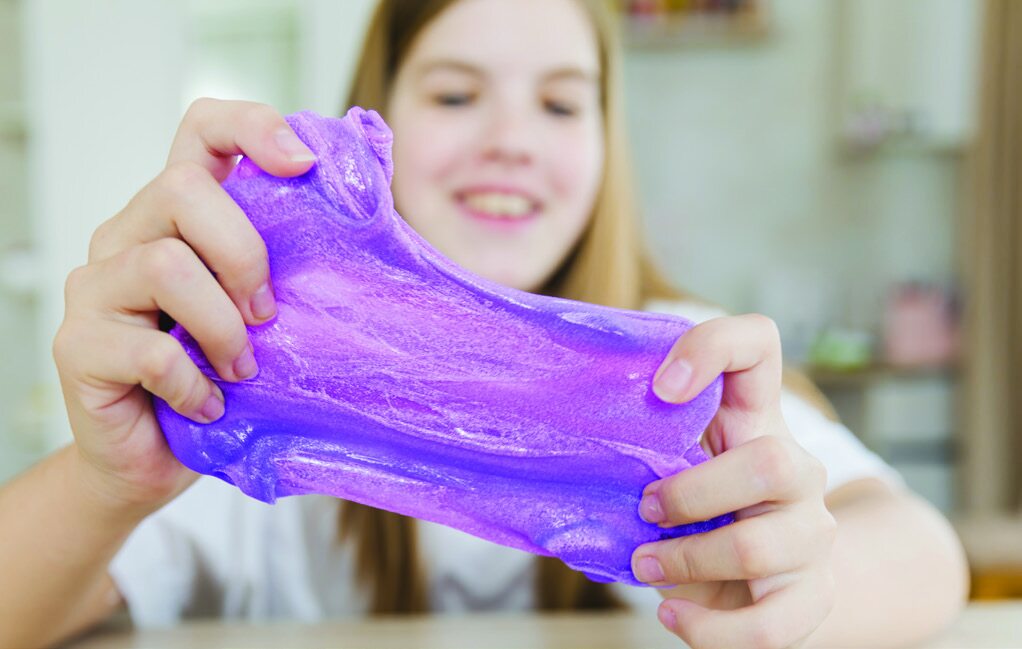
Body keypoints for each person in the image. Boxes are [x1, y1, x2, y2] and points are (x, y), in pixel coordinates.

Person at [0, 0, 969, 647]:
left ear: (602, 146)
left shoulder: (687, 364)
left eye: (558, 103)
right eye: (457, 94)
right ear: (375, 122)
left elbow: (922, 550)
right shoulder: (245, 382)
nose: (508, 138)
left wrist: (813, 584)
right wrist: (105, 481)